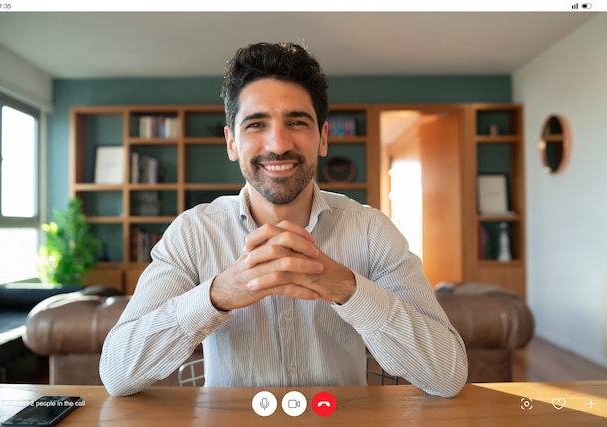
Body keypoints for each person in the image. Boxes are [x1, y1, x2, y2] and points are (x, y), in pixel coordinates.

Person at [100, 42, 468, 398]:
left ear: (323, 138)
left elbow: (447, 375)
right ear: (231, 143)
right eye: (256, 124)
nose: (278, 143)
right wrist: (217, 295)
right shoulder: (193, 233)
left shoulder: (371, 231)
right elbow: (117, 374)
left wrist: (346, 288)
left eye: (296, 122)